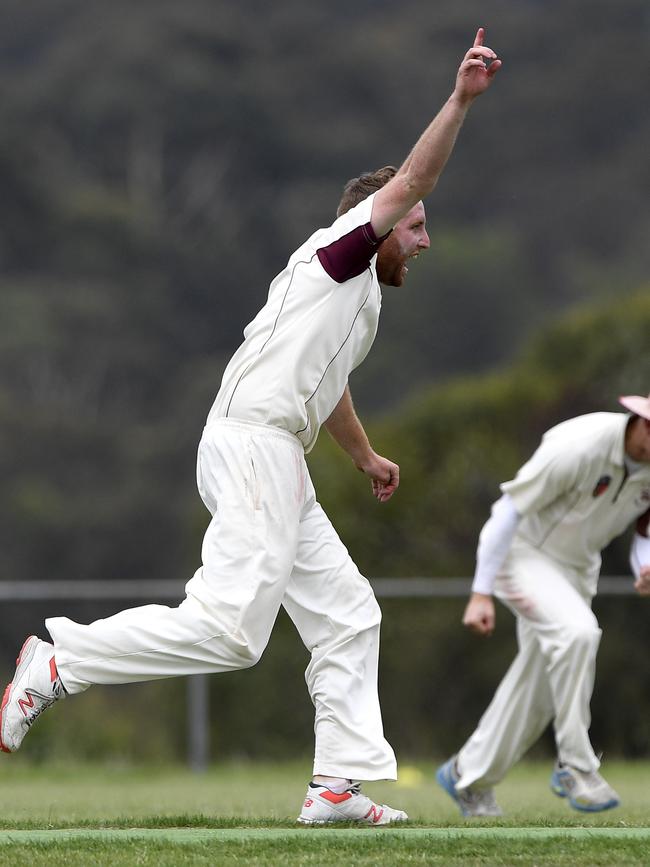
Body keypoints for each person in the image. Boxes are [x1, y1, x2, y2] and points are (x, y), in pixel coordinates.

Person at [0, 30, 501, 823]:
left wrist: (365, 455)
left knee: (349, 614)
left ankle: (336, 786)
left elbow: (325, 389)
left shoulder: (358, 299)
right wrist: (460, 100)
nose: (425, 237)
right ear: (378, 221)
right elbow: (412, 177)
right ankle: (60, 662)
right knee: (233, 631)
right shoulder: (341, 250)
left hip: (280, 454)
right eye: (415, 225)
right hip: (252, 443)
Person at [436, 394, 650, 817]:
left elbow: (645, 530)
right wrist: (481, 593)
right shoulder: (578, 447)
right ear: (640, 421)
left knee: (542, 686)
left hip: (578, 569)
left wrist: (645, 566)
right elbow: (506, 512)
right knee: (579, 633)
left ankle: (469, 776)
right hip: (524, 555)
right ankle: (576, 764)